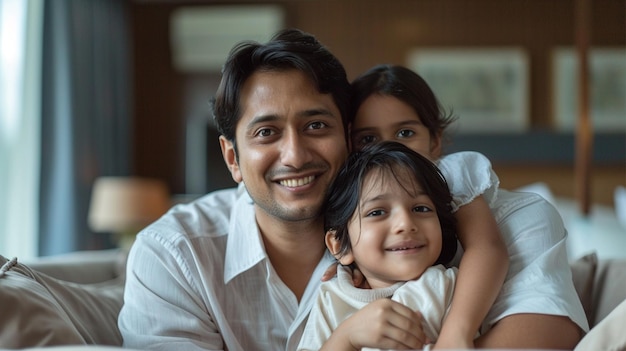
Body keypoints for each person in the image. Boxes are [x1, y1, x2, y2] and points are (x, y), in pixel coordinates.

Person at [118, 29, 426, 351]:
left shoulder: (411, 233)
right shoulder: (175, 255)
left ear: (348, 140)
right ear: (232, 158)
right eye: (267, 132)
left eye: (316, 126)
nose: (295, 156)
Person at [348, 63, 589, 349]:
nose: (391, 149)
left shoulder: (453, 175)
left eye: (405, 134)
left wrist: (456, 333)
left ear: (435, 141)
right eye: (368, 139)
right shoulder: (353, 211)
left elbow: (486, 248)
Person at [297, 141, 465, 351]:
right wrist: (346, 337)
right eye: (377, 212)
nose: (405, 224)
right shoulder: (332, 299)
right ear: (340, 245)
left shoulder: (451, 287)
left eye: (421, 208)